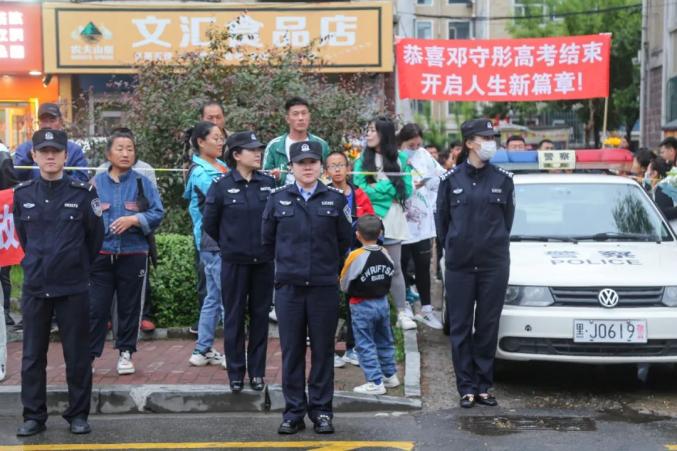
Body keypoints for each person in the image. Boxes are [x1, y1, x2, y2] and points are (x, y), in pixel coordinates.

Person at [13, 129, 104, 436]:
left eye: (56, 151)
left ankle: (78, 414)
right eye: (44, 151)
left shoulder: (83, 194)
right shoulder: (23, 194)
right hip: (36, 286)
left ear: (66, 155)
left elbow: (95, 239)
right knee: (31, 356)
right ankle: (33, 417)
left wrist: (75, 265)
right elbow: (23, 238)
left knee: (77, 355)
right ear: (34, 155)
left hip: (72, 286)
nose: (50, 156)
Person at [262, 141, 352, 435]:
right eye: (301, 162)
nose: (308, 167)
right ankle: (293, 412)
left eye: (313, 161)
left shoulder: (335, 200)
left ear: (321, 166)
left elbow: (344, 241)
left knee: (323, 351)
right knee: (292, 351)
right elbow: (267, 241)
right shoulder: (277, 199)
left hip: (323, 288)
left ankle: (322, 411)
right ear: (291, 167)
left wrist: (327, 269)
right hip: (289, 288)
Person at [436, 118, 515, 409]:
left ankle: (483, 385)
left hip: (494, 264)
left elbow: (507, 221)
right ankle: (466, 387)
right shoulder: (450, 180)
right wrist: (456, 248)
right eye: (485, 138)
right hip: (460, 265)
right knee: (460, 326)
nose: (490, 143)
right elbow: (442, 225)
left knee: (487, 325)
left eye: (493, 138)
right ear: (469, 143)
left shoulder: (503, 180)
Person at [203, 131, 275, 392]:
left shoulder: (268, 183)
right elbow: (210, 223)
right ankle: (235, 373)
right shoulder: (221, 186)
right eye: (251, 149)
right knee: (233, 318)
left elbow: (275, 220)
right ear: (236, 155)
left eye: (259, 149)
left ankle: (256, 373)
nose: (258, 153)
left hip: (263, 262)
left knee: (259, 318)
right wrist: (231, 244)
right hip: (234, 262)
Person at [89, 129, 164, 376]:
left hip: (134, 253)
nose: (125, 153)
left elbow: (157, 213)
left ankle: (126, 353)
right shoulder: (96, 183)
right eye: (120, 149)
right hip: (101, 254)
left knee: (130, 307)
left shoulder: (143, 183)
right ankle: (89, 356)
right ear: (108, 154)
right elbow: (85, 217)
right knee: (96, 308)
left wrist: (134, 219)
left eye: (130, 149)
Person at [353, 117, 415, 330]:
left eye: (373, 130)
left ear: (384, 134)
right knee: (367, 266)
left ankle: (401, 311)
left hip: (393, 219)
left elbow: (407, 190)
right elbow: (360, 190)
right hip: (369, 219)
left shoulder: (401, 159)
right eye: (368, 130)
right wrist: (389, 186)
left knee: (395, 267)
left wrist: (378, 188)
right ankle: (369, 313)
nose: (368, 134)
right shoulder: (362, 160)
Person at [324, 150, 375, 368]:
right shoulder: (322, 194)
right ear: (326, 171)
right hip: (329, 257)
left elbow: (371, 222)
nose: (337, 169)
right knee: (328, 303)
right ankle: (328, 350)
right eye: (332, 166)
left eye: (341, 165)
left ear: (348, 168)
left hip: (355, 257)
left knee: (355, 303)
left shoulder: (359, 194)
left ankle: (353, 348)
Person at [184, 122, 228, 368]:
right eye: (216, 138)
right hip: (213, 242)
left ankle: (202, 350)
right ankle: (231, 351)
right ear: (201, 142)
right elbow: (223, 199)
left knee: (214, 297)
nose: (221, 142)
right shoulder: (200, 171)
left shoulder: (221, 166)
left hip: (220, 242)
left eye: (222, 138)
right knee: (227, 297)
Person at [340, 215, 399, 395]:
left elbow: (344, 282)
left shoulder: (355, 255)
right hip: (382, 302)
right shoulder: (385, 252)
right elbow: (392, 271)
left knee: (364, 343)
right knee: (384, 340)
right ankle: (390, 374)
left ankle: (374, 381)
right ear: (380, 233)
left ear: (357, 235)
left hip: (361, 304)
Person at [398, 123, 445, 329]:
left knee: (423, 266)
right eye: (411, 145)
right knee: (401, 266)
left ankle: (426, 309)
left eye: (418, 144)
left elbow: (440, 177)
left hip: (423, 221)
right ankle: (405, 306)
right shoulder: (392, 157)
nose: (415, 148)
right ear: (401, 142)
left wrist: (426, 183)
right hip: (400, 221)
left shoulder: (424, 155)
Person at [263, 97, 330, 187]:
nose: (300, 118)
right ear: (287, 119)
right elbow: (265, 178)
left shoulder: (321, 145)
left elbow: (329, 175)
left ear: (309, 116)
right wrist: (276, 177)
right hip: (283, 194)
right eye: (295, 114)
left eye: (304, 113)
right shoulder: (274, 146)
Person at [14, 103, 89, 182]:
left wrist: (60, 176)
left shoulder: (74, 150)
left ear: (60, 122)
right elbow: (16, 177)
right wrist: (29, 157)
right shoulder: (25, 149)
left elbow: (82, 180)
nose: (47, 125)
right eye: (44, 121)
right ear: (38, 123)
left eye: (52, 120)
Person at [0, 141, 17, 326]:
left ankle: (4, 312)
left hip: (1, 219)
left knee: (2, 268)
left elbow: (10, 187)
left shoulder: (2, 154)